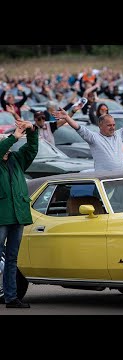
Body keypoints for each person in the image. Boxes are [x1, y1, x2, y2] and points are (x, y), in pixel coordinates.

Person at [53, 101, 123, 171]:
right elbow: (78, 127)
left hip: (118, 180)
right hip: (103, 182)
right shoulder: (94, 138)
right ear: (100, 126)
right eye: (109, 125)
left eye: (114, 125)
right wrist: (67, 117)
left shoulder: (119, 135)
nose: (112, 127)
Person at [0, 118, 38, 308]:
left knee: (12, 259)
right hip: (2, 217)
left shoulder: (16, 159)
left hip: (17, 215)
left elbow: (32, 149)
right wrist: (13, 137)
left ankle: (11, 297)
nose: (7, 147)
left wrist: (32, 129)